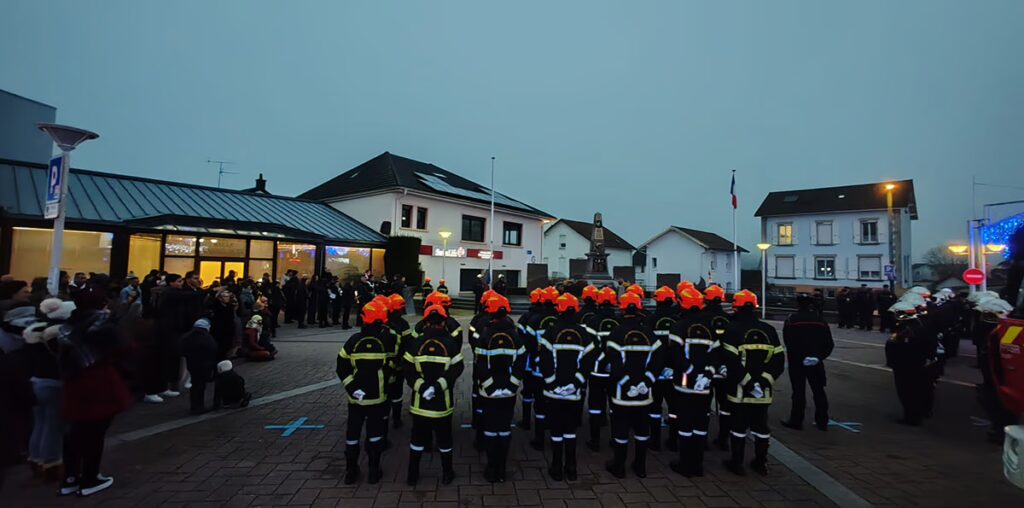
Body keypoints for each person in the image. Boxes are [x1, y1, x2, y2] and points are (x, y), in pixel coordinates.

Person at [58, 283, 132, 497]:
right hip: (99, 382)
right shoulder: (102, 326)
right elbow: (125, 349)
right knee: (95, 432)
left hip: (73, 382)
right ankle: (90, 477)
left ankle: (70, 477)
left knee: (75, 431)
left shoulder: (66, 326)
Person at [720, 290, 785, 477]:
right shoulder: (769, 330)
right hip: (763, 392)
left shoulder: (732, 329)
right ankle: (760, 462)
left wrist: (747, 383)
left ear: (736, 307)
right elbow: (778, 360)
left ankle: (737, 462)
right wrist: (764, 381)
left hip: (739, 390)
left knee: (738, 425)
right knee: (761, 426)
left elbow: (731, 360)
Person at [403, 304, 463, 486]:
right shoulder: (451, 344)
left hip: (420, 403)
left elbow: (407, 369)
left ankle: (412, 475)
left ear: (426, 322)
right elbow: (457, 368)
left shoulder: (415, 343)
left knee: (417, 439)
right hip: (442, 404)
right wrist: (438, 386)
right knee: (445, 439)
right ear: (444, 322)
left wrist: (421, 387)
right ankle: (447, 473)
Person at [538, 293, 595, 481]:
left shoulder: (550, 332)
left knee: (556, 430)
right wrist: (575, 384)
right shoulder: (584, 334)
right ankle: (571, 467)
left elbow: (545, 362)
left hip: (553, 392)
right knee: (571, 430)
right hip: (575, 393)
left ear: (558, 309)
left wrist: (554, 384)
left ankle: (556, 467)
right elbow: (588, 363)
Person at [605, 291, 662, 479]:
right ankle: (640, 466)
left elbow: (614, 363)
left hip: (622, 393)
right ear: (639, 309)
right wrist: (646, 382)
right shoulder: (648, 332)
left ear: (622, 310)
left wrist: (627, 384)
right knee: (642, 429)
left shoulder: (617, 332)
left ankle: (618, 466)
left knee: (621, 430)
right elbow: (657, 361)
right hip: (645, 394)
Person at [337, 301, 395, 485]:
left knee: (352, 434)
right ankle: (373, 470)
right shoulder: (387, 340)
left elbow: (341, 368)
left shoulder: (353, 341)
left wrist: (352, 388)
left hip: (355, 400)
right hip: (378, 398)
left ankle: (351, 471)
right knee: (375, 434)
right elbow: (392, 366)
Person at [474, 293, 526, 483]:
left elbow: (480, 365)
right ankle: (502, 469)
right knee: (504, 427)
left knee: (490, 429)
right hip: (508, 392)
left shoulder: (485, 335)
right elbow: (521, 362)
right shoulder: (515, 335)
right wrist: (511, 385)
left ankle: (491, 467)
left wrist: (489, 388)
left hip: (488, 393)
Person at [666, 287, 717, 477]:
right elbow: (716, 355)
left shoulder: (679, 326)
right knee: (701, 422)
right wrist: (707, 375)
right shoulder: (709, 327)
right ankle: (698, 464)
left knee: (685, 422)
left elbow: (675, 355)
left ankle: (685, 463)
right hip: (705, 385)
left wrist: (691, 372)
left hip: (684, 383)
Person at [780, 294, 834, 431]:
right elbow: (828, 343)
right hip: (816, 362)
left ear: (798, 304)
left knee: (798, 392)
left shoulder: (792, 320)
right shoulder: (820, 320)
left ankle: (796, 420)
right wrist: (818, 357)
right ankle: (822, 421)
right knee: (819, 391)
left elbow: (788, 341)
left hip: (797, 362)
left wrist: (799, 356)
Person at [885, 300, 939, 426]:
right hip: (921, 364)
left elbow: (898, 347)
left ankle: (912, 417)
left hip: (906, 365)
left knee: (908, 392)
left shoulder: (906, 330)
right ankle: (923, 411)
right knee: (922, 389)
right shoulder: (923, 325)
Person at [582, 286, 620, 451]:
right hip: (616, 371)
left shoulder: (593, 321)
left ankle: (595, 440)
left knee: (595, 404)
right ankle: (614, 437)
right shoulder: (620, 321)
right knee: (615, 404)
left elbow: (589, 347)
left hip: (597, 371)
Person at [525, 287, 560, 451]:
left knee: (539, 403)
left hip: (538, 370)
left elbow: (529, 345)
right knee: (554, 402)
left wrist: (536, 361)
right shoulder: (561, 319)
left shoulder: (534, 320)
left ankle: (539, 439)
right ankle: (553, 430)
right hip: (558, 370)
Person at [645, 286, 678, 451]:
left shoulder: (650, 320)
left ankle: (655, 439)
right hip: (675, 370)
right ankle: (673, 439)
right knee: (674, 407)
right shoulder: (678, 320)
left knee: (654, 406)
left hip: (656, 370)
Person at [703, 284, 733, 451]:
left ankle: (703, 437)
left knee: (704, 405)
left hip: (706, 366)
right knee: (725, 405)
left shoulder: (702, 318)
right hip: (725, 367)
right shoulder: (729, 319)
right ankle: (723, 438)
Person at [516, 289, 542, 432]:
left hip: (528, 362)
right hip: (545, 364)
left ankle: (526, 421)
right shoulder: (552, 318)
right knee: (542, 394)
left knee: (527, 392)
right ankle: (544, 422)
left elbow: (521, 342)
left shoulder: (525, 318)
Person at [386, 294, 413, 431]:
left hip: (382, 368)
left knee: (384, 392)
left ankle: (383, 417)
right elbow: (408, 344)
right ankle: (396, 419)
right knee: (397, 392)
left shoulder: (382, 321)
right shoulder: (403, 324)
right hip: (398, 365)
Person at [181, 319, 218, 415]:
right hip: (204, 366)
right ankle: (199, 407)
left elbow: (182, 349)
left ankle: (194, 406)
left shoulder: (187, 336)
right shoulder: (206, 337)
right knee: (200, 386)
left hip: (192, 365)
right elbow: (213, 349)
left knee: (195, 385)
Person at [209, 290, 238, 361]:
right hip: (220, 331)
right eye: (225, 296)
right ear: (220, 298)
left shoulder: (229, 307)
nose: (227, 298)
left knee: (227, 347)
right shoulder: (216, 307)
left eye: (228, 296)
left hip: (229, 330)